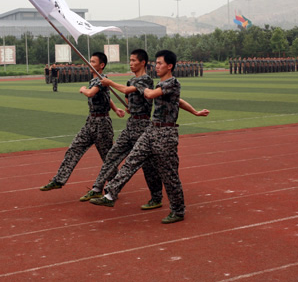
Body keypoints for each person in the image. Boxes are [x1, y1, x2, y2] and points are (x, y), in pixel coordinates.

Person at [90, 50, 209, 224]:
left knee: (169, 175)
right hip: (152, 130)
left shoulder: (172, 82)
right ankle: (110, 195)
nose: (157, 66)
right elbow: (178, 101)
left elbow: (151, 95)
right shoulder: (160, 85)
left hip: (166, 134)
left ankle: (178, 210)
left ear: (170, 66)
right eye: (156, 63)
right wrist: (195, 112)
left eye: (160, 63)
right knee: (132, 160)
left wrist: (138, 87)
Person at [79, 49, 161, 206]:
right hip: (131, 124)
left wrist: (110, 83)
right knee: (112, 156)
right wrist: (128, 107)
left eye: (134, 60)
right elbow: (129, 99)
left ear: (143, 62)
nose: (131, 63)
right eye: (130, 60)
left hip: (143, 126)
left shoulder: (146, 80)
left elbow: (126, 90)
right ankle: (98, 188)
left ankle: (156, 197)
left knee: (148, 166)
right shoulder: (131, 80)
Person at [40, 52, 125, 192]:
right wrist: (115, 109)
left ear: (102, 65)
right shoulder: (94, 80)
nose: (89, 64)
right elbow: (106, 97)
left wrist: (83, 89)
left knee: (108, 157)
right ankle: (59, 179)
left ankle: (114, 185)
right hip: (91, 121)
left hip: (102, 123)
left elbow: (91, 93)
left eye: (93, 62)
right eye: (89, 61)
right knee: (75, 148)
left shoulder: (102, 79)